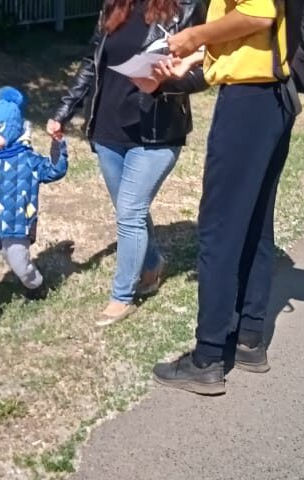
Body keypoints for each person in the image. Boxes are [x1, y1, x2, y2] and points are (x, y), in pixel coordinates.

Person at [151, 0, 297, 394]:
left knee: (218, 230)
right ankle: (249, 338)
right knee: (256, 224)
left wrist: (193, 36)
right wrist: (197, 56)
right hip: (276, 97)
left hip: (246, 103)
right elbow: (252, 37)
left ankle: (207, 358)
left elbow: (258, 14)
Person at [48, 0, 207, 326]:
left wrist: (167, 81)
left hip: (156, 133)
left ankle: (121, 296)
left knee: (130, 211)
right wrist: (64, 111)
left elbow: (207, 68)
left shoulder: (185, 7)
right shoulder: (114, 6)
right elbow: (91, 64)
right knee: (128, 209)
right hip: (108, 131)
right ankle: (151, 265)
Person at [0, 86, 69, 325]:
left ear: (12, 128)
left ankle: (36, 286)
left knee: (22, 268)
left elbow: (54, 170)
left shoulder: (28, 161)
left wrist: (57, 144)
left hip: (16, 230)